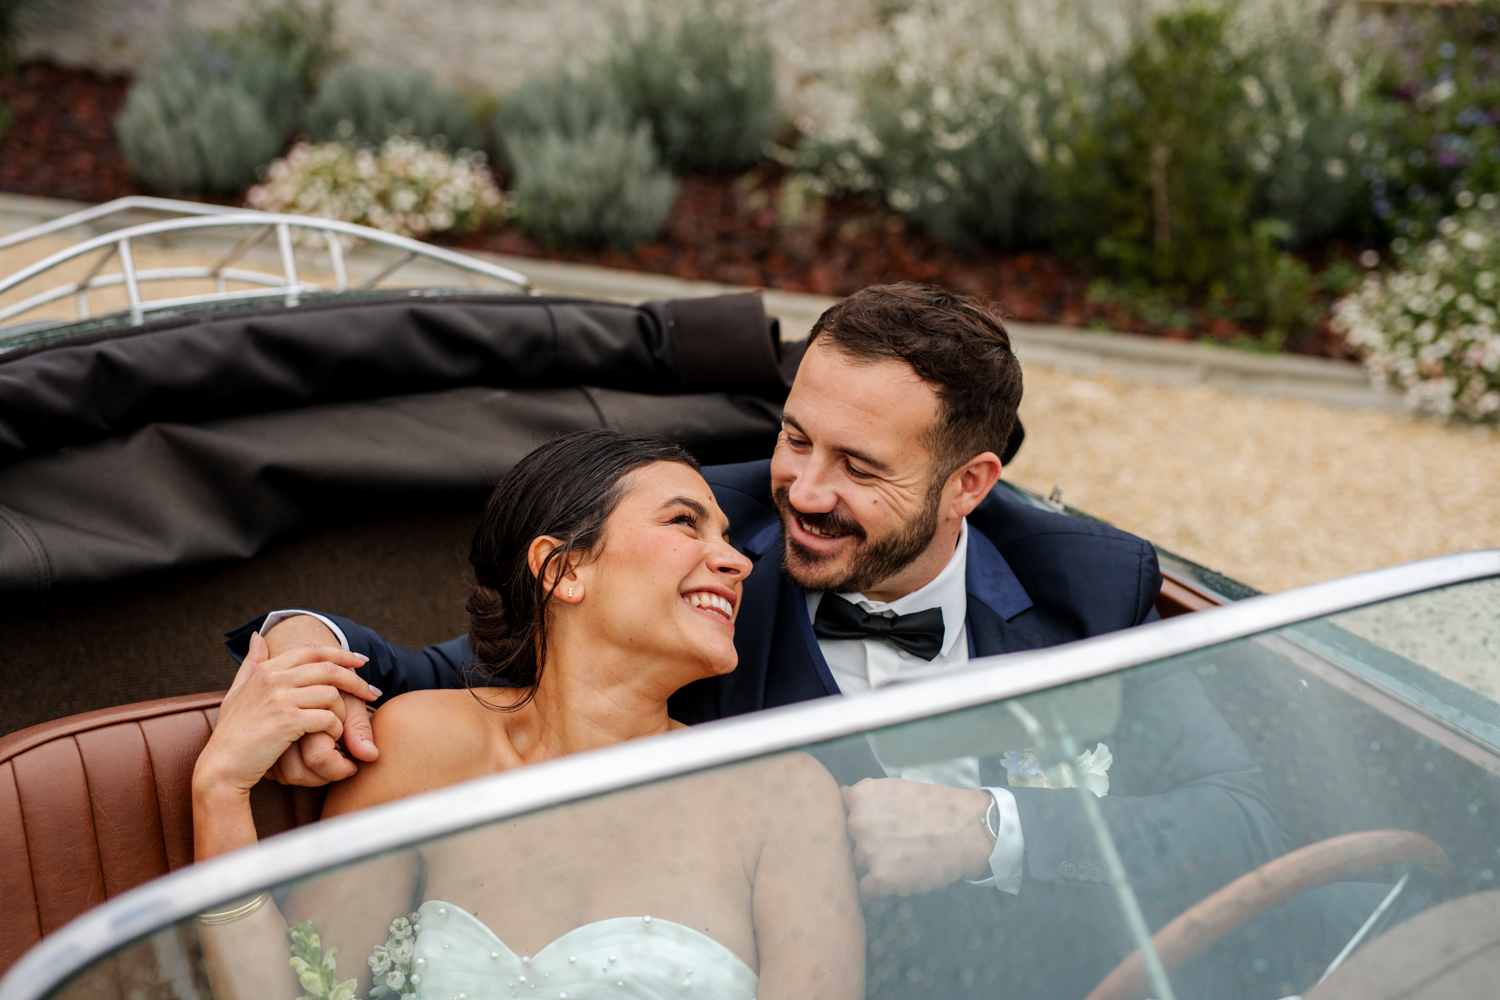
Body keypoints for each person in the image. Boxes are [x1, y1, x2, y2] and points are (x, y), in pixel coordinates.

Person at [232, 283, 1288, 999]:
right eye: (793, 437)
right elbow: (506, 672)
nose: (804, 495)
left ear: (970, 485)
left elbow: (1243, 820)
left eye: (860, 468)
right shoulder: (718, 548)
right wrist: (303, 638)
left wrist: (995, 829)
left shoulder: (1085, 590)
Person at [193, 430, 864, 1000]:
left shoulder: (784, 797)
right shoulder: (421, 746)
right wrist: (219, 794)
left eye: (727, 536)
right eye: (684, 523)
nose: (737, 560)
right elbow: (306, 994)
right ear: (562, 569)